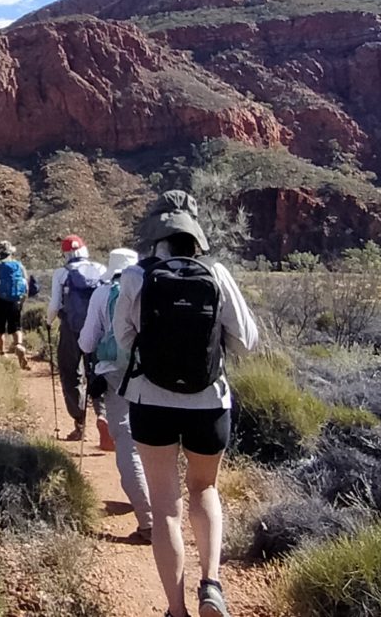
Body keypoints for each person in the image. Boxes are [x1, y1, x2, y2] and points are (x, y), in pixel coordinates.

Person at [112, 191, 258, 617]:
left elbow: (123, 341)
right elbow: (247, 340)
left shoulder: (136, 277)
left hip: (150, 401)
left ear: (155, 232)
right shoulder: (216, 273)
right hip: (208, 400)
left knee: (165, 506)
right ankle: (211, 585)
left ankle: (176, 611)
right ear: (196, 230)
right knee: (205, 489)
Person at [76, 246, 150, 543]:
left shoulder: (102, 293)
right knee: (153, 443)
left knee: (127, 443)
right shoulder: (151, 287)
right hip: (152, 372)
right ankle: (162, 509)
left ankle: (149, 521)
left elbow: (86, 341)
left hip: (117, 373)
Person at [48, 234, 105, 442]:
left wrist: (48, 322)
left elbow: (55, 305)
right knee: (99, 371)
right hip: (98, 328)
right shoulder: (100, 270)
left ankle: (79, 423)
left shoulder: (61, 274)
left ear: (66, 253)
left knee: (70, 372)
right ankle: (103, 416)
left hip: (70, 329)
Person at [0, 241, 32, 369]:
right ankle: (19, 345)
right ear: (11, 251)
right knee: (16, 328)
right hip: (15, 301)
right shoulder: (19, 265)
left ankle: (2, 353)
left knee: (0, 329)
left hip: (0, 301)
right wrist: (22, 301)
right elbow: (26, 285)